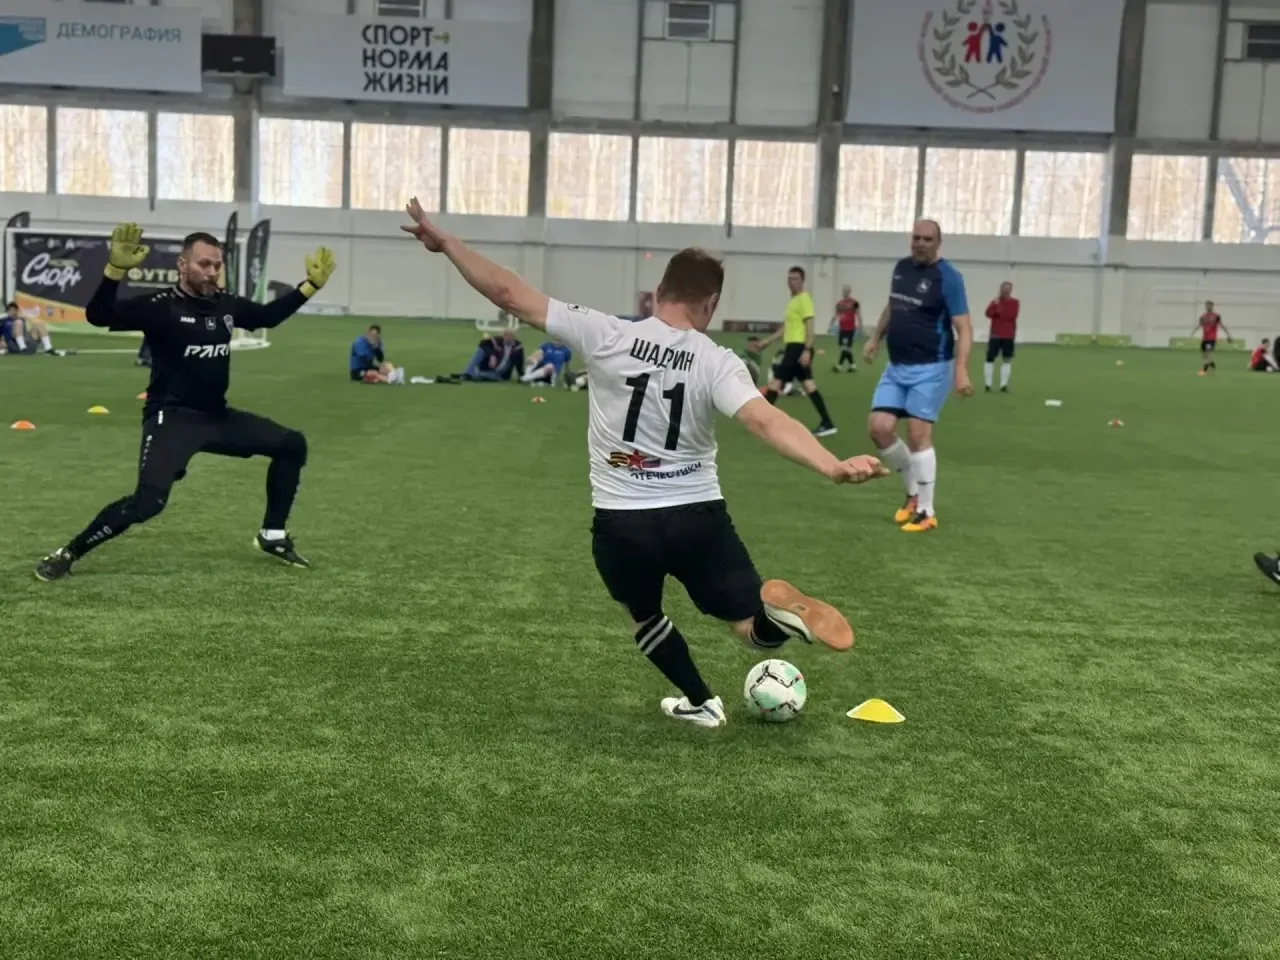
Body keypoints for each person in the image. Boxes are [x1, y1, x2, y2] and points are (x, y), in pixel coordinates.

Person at [402, 197, 888, 729]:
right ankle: (779, 619)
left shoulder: (608, 333)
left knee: (642, 615)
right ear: (710, 303)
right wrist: (832, 465)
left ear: (660, 292)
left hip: (623, 520)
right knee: (748, 629)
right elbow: (764, 420)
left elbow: (508, 293)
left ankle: (700, 701)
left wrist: (448, 244)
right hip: (698, 517)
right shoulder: (717, 361)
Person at [35, 224, 335, 581]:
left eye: (216, 265)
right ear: (182, 265)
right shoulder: (160, 307)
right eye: (203, 264)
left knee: (291, 445)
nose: (211, 272)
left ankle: (272, 535)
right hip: (171, 419)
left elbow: (267, 317)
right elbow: (98, 316)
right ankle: (67, 553)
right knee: (148, 503)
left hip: (215, 417)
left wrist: (309, 286)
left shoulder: (224, 304)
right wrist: (114, 271)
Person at [863, 219, 973, 534]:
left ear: (938, 242)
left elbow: (964, 327)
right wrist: (875, 337)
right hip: (897, 366)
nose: (920, 243)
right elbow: (892, 306)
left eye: (927, 239)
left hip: (932, 368)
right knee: (879, 428)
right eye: (916, 238)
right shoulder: (901, 268)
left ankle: (926, 511)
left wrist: (961, 369)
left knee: (917, 434)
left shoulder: (948, 277)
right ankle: (912, 493)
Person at [760, 266, 837, 437]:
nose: (791, 282)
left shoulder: (804, 299)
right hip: (792, 347)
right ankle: (827, 423)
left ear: (802, 281)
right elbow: (785, 328)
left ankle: (762, 420)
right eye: (789, 278)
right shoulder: (793, 301)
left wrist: (807, 350)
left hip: (798, 347)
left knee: (776, 381)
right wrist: (767, 341)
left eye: (795, 279)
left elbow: (810, 327)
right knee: (808, 385)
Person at [983, 281, 1019, 392]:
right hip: (995, 334)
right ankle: (988, 384)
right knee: (990, 358)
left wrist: (998, 309)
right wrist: (995, 305)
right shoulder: (995, 301)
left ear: (1010, 290)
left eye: (1008, 289)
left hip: (1008, 335)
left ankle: (1003, 385)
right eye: (1004, 289)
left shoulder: (1014, 302)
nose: (1005, 291)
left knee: (1006, 359)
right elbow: (988, 314)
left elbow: (1011, 315)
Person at [1194, 300, 1232, 375]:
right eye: (1206, 305)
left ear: (1212, 306)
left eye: (1209, 305)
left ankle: (1204, 370)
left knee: (1208, 353)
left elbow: (1222, 326)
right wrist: (1194, 330)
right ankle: (1211, 363)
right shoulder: (1203, 316)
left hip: (1211, 338)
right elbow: (1200, 324)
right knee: (1204, 354)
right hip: (1204, 338)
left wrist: (1228, 335)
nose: (1208, 307)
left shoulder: (1216, 316)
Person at [832, 286, 861, 372]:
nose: (845, 292)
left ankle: (839, 366)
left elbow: (858, 314)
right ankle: (853, 366)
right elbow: (836, 314)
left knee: (846, 348)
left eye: (847, 291)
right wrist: (831, 323)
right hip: (842, 329)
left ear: (849, 292)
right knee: (845, 348)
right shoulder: (839, 303)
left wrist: (860, 325)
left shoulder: (855, 302)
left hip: (850, 329)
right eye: (844, 291)